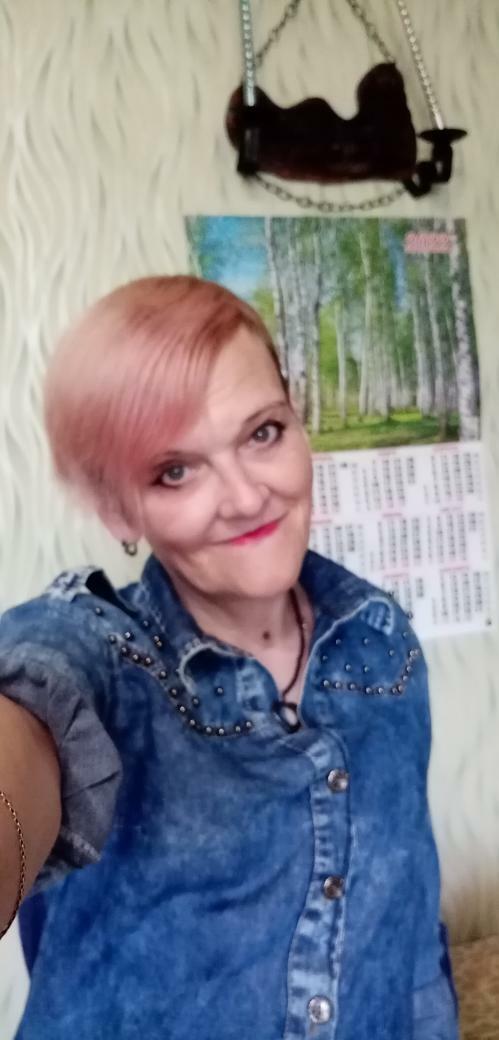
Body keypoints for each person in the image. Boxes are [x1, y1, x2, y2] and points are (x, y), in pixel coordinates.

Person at [0, 275, 458, 1040]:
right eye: (174, 470)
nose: (246, 498)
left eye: (262, 433)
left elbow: (406, 932)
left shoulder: (381, 644)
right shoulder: (103, 658)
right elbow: (32, 705)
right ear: (118, 508)